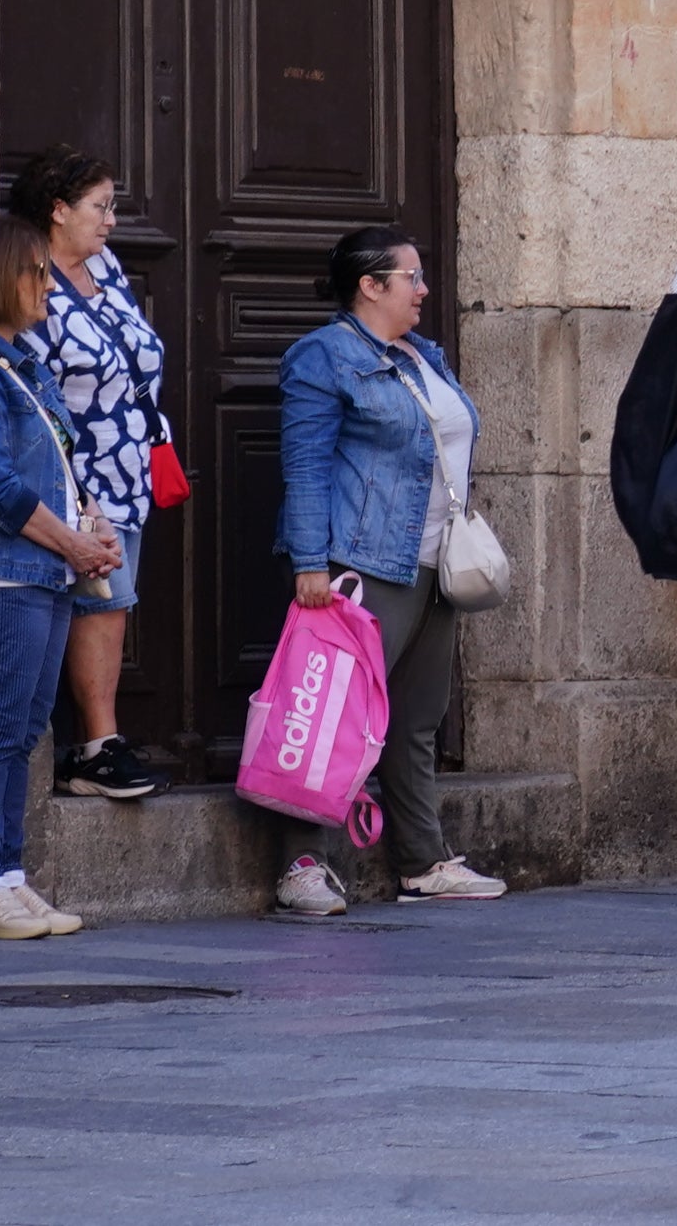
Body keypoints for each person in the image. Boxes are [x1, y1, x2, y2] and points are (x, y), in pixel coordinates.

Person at [271, 229, 509, 917]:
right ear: (370, 285)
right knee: (331, 719)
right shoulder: (323, 355)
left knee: (416, 718)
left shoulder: (422, 355)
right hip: (364, 560)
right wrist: (310, 561)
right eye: (411, 276)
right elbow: (306, 464)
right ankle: (302, 864)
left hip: (436, 562)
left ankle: (423, 860)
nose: (423, 288)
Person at [0, 213, 118, 938]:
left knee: (21, 732)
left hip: (44, 571)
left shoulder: (17, 360)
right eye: (35, 271)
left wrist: (94, 525)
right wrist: (73, 544)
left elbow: (58, 462)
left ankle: (5, 874)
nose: (47, 285)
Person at [7, 147, 169, 803]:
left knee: (113, 603)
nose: (110, 220)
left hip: (126, 466)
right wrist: (72, 482)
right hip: (71, 470)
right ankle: (94, 746)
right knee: (92, 602)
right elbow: (29, 380)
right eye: (99, 206)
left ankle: (100, 744)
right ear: (57, 209)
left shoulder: (106, 266)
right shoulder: (24, 273)